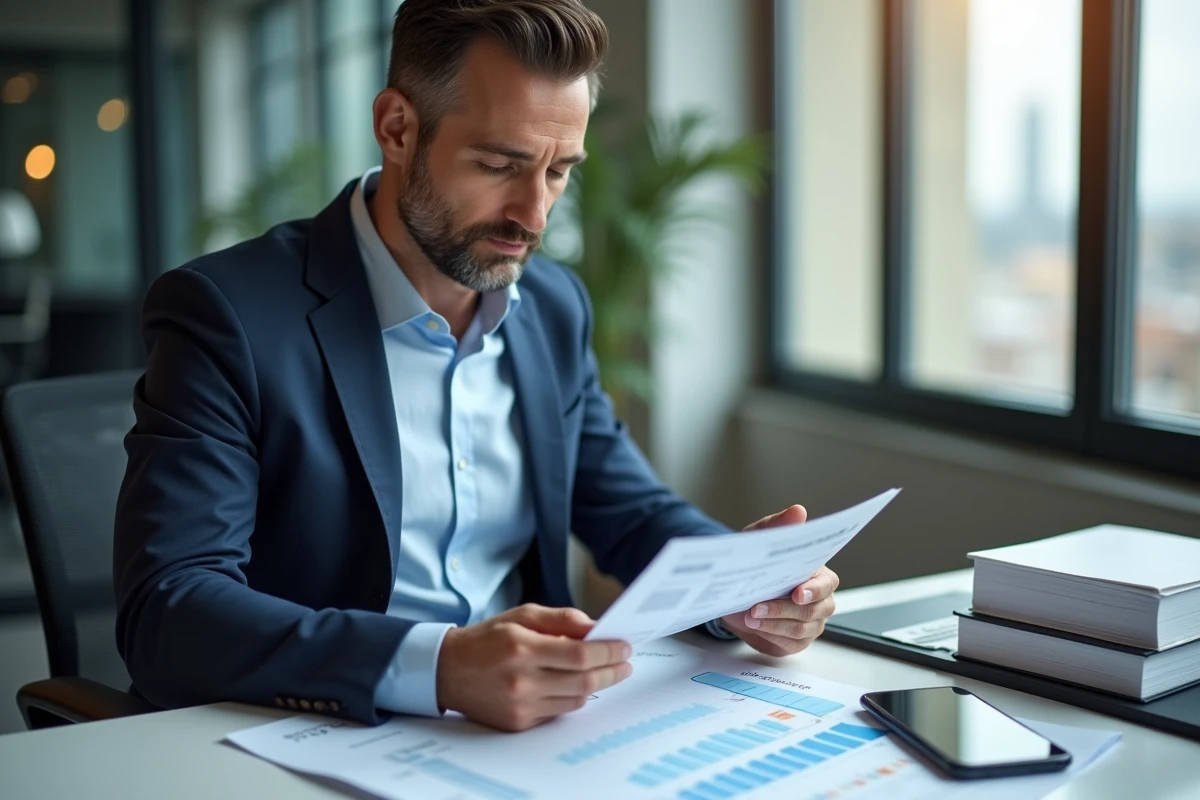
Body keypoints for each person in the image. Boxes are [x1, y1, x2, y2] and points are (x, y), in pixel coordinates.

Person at [113, 0, 838, 733]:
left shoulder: (553, 305)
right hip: (315, 732)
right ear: (397, 128)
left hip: (524, 743)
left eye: (560, 172)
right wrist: (440, 665)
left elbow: (631, 510)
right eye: (500, 165)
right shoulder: (228, 314)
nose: (535, 214)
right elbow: (169, 607)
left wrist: (743, 587)